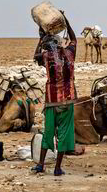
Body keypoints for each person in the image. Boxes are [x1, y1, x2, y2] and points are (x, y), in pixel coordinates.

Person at [32, 11, 83, 176]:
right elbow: (74, 39)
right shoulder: (70, 53)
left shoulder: (46, 56)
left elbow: (35, 56)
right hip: (67, 102)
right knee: (64, 134)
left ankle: (40, 164)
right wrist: (65, 20)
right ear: (60, 42)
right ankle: (57, 168)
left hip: (51, 101)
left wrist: (41, 38)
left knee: (48, 132)